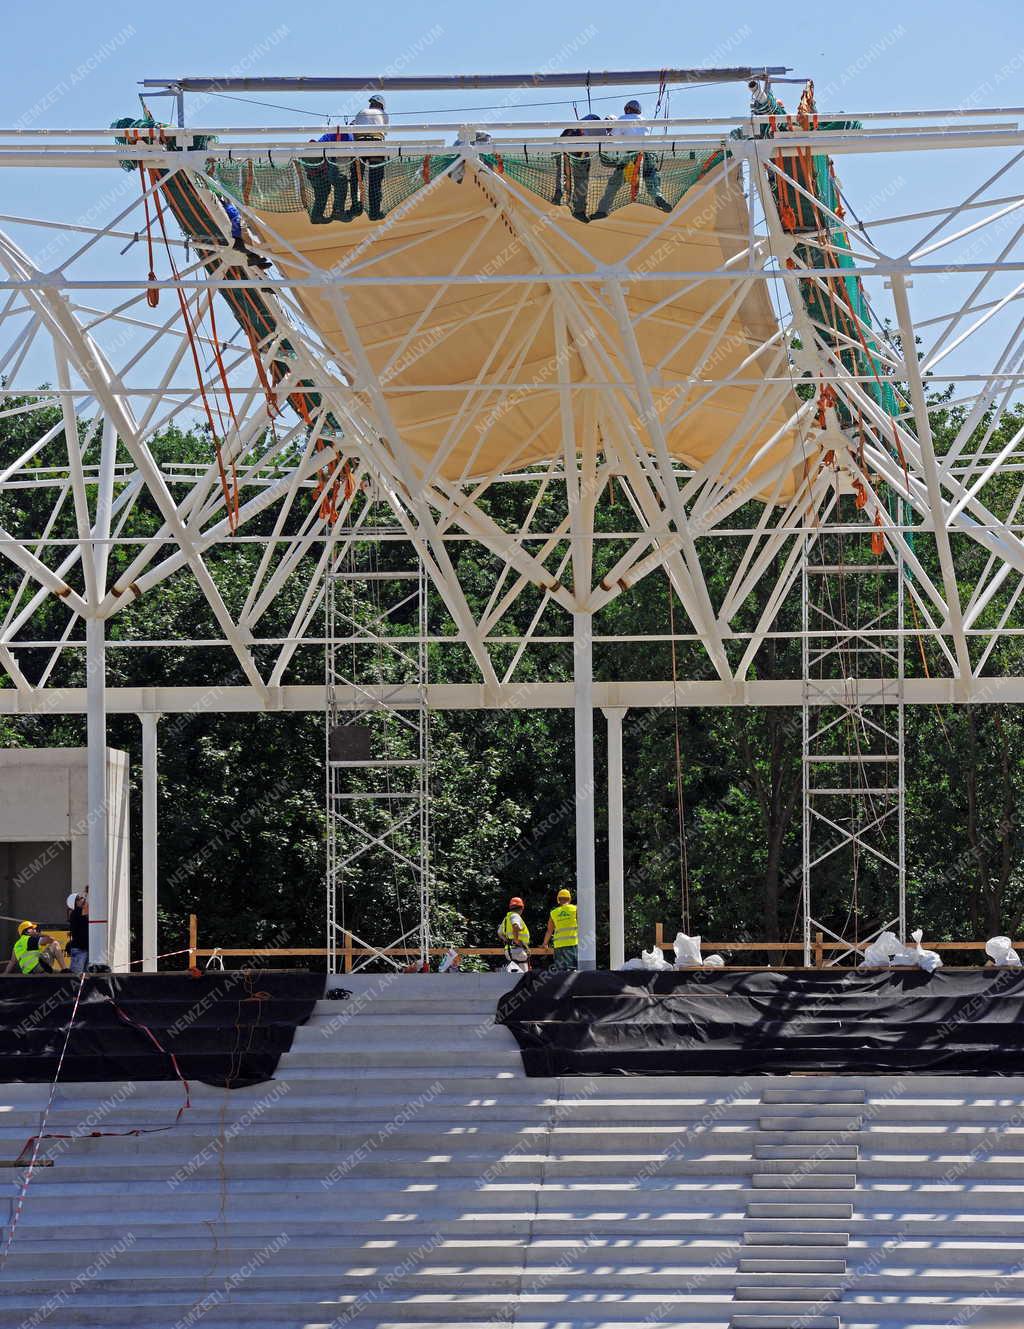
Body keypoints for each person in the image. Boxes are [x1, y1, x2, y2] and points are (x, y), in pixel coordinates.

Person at [590, 99, 672, 221]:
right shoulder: (644, 121)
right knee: (651, 182)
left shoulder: (623, 118)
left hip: (630, 156)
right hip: (648, 155)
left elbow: (612, 138)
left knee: (613, 184)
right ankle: (659, 197)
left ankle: (602, 210)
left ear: (627, 109)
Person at [351, 94, 389, 221]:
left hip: (359, 145)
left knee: (357, 178)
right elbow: (384, 132)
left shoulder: (361, 112)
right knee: (375, 181)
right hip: (376, 145)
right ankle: (374, 212)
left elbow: (352, 126)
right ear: (382, 105)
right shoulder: (383, 114)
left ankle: (356, 208)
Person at [304, 126, 354, 223]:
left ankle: (316, 216)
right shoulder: (349, 136)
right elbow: (343, 157)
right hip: (320, 160)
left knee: (323, 190)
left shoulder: (333, 134)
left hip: (311, 160)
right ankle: (338, 212)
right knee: (341, 181)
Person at [217, 197, 272, 269]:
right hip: (238, 240)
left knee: (234, 215)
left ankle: (257, 261)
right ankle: (257, 261)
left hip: (238, 237)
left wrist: (243, 224)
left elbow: (244, 232)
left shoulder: (251, 245)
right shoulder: (251, 247)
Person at [543, 889, 579, 972]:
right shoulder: (575, 909)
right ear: (569, 899)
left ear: (558, 900)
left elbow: (549, 930)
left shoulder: (554, 913)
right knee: (573, 970)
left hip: (559, 946)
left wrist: (545, 944)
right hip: (572, 944)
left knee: (560, 971)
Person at [497, 896, 531, 970]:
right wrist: (516, 940)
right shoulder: (515, 915)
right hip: (518, 950)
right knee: (524, 975)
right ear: (522, 908)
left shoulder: (506, 918)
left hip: (509, 950)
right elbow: (515, 925)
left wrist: (508, 940)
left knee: (514, 974)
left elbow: (499, 933)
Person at [66, 890, 89, 973]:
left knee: (85, 978)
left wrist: (87, 893)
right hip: (80, 950)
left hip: (85, 949)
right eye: (80, 898)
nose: (82, 898)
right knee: (76, 977)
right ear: (75, 903)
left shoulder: (79, 912)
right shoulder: (76, 912)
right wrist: (88, 892)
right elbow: (86, 906)